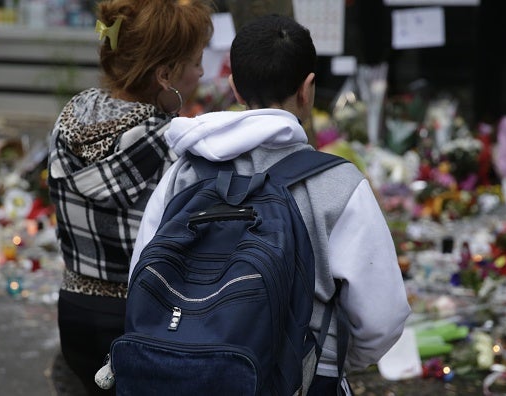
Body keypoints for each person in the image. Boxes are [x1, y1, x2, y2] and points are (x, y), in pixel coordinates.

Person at [129, 13, 411, 395]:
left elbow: (139, 278)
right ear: (307, 89)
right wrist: (329, 361)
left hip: (183, 376)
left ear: (235, 88)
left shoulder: (184, 172)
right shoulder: (340, 184)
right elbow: (383, 318)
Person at [47, 0, 214, 393]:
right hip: (142, 319)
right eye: (195, 62)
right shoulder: (175, 148)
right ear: (165, 75)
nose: (203, 72)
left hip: (74, 312)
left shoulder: (70, 118)